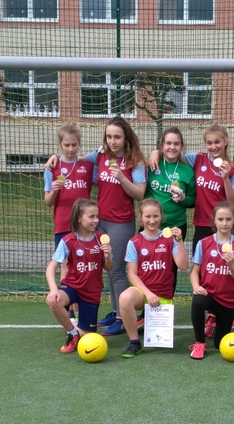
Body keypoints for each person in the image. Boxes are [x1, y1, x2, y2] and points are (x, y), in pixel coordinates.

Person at [46, 117, 147, 337]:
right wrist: (55, 157)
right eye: (109, 136)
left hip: (121, 222)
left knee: (117, 270)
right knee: (105, 267)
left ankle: (122, 318)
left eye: (117, 137)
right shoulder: (100, 156)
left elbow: (139, 194)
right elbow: (73, 160)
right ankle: (115, 312)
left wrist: (121, 178)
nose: (112, 141)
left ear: (126, 138)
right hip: (99, 222)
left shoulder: (135, 161)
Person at [149, 124, 234, 254]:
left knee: (222, 262)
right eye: (209, 143)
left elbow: (233, 202)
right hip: (202, 222)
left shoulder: (233, 169)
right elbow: (173, 153)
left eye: (217, 142)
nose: (213, 146)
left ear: (225, 141)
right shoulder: (197, 159)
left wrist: (226, 178)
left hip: (223, 222)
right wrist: (155, 153)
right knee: (199, 262)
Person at [117, 198, 189, 358]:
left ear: (161, 216)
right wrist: (148, 294)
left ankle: (150, 323)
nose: (152, 220)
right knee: (124, 298)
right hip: (143, 293)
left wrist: (180, 240)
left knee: (161, 343)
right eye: (148, 216)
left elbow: (183, 266)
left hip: (163, 294)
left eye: (155, 216)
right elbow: (132, 274)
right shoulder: (134, 242)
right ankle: (134, 342)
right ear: (141, 217)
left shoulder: (170, 239)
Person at [45, 198, 113, 354]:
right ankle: (71, 332)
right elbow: (50, 268)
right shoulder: (68, 240)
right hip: (72, 286)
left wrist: (108, 256)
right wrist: (53, 290)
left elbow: (109, 268)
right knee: (54, 301)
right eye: (91, 216)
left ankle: (77, 331)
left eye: (97, 216)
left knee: (87, 338)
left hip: (92, 293)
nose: (96, 220)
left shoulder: (101, 239)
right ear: (79, 218)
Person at [43, 123, 95, 323]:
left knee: (83, 266)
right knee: (66, 265)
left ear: (79, 144)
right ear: (60, 144)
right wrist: (54, 191)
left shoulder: (87, 166)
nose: (70, 149)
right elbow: (48, 202)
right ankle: (69, 313)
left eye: (74, 145)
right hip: (63, 224)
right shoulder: (52, 168)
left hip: (84, 226)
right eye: (66, 145)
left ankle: (82, 310)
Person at [189, 201, 234, 360]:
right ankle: (199, 343)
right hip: (208, 294)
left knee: (219, 344)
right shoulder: (204, 243)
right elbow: (194, 271)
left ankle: (217, 322)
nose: (224, 223)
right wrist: (196, 286)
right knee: (197, 300)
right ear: (214, 221)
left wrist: (231, 264)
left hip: (227, 299)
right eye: (220, 219)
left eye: (228, 219)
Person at [144, 126, 195, 297]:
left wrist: (183, 199)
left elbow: (193, 201)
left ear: (181, 146)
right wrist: (153, 154)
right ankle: (146, 306)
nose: (172, 147)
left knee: (170, 269)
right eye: (168, 143)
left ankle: (166, 306)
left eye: (176, 144)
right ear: (162, 146)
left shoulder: (187, 170)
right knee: (147, 267)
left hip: (175, 226)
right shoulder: (151, 164)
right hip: (151, 226)